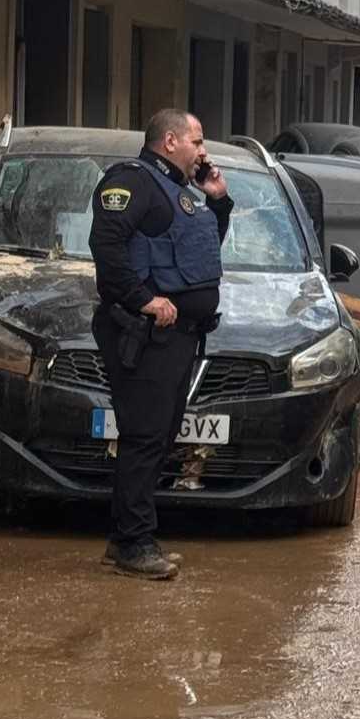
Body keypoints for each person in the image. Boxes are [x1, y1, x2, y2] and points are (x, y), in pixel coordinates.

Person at [88, 109, 233, 579]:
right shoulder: (132, 182)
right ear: (170, 141)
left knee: (160, 436)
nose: (203, 151)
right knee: (144, 437)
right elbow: (106, 246)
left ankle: (130, 537)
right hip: (144, 334)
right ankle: (132, 544)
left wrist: (219, 204)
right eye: (197, 140)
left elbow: (198, 256)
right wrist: (143, 299)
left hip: (177, 338)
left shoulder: (181, 193)